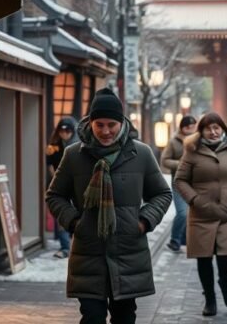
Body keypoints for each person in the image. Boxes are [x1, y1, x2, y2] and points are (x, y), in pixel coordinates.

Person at [46, 87, 171, 324]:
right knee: (92, 317)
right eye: (99, 124)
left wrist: (143, 222)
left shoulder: (140, 153)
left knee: (125, 317)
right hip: (88, 252)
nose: (105, 131)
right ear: (90, 123)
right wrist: (74, 222)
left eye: (111, 124)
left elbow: (162, 193)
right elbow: (55, 195)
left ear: (122, 123)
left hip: (128, 252)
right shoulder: (74, 155)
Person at [174, 112, 227, 317]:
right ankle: (209, 298)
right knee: (204, 259)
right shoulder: (192, 151)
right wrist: (195, 200)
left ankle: (224, 284)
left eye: (217, 127)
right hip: (201, 214)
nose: (213, 131)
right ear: (202, 131)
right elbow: (180, 180)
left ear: (223, 129)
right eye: (209, 128)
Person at [160, 115, 197, 252]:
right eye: (189, 127)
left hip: (196, 183)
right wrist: (181, 164)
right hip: (179, 182)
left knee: (194, 213)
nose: (192, 129)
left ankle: (186, 239)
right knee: (182, 213)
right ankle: (174, 239)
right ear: (183, 127)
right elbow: (164, 160)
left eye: (194, 127)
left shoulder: (199, 140)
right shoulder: (173, 142)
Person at [47, 116, 80, 258]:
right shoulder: (55, 145)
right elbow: (50, 164)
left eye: (67, 131)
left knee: (78, 213)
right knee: (61, 214)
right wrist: (56, 179)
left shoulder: (79, 144)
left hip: (78, 185)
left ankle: (76, 244)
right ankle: (65, 246)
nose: (64, 134)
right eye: (61, 131)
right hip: (60, 185)